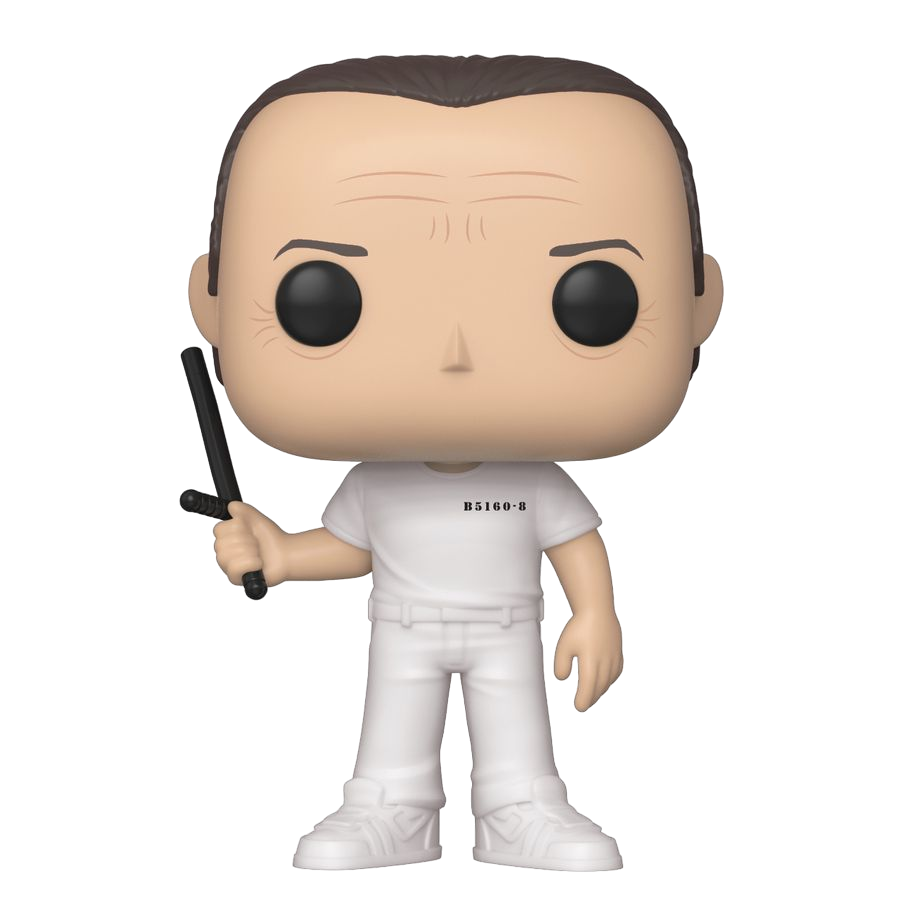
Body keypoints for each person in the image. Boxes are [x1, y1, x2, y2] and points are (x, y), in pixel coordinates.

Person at [187, 55, 724, 872]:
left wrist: (596, 613)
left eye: (593, 300)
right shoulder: (377, 481)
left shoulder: (532, 480)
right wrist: (283, 554)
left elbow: (573, 543)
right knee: (391, 733)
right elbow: (354, 547)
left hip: (508, 625)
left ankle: (522, 810)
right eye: (320, 300)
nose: (456, 355)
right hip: (402, 625)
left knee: (518, 735)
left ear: (699, 303)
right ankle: (390, 812)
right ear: (212, 303)